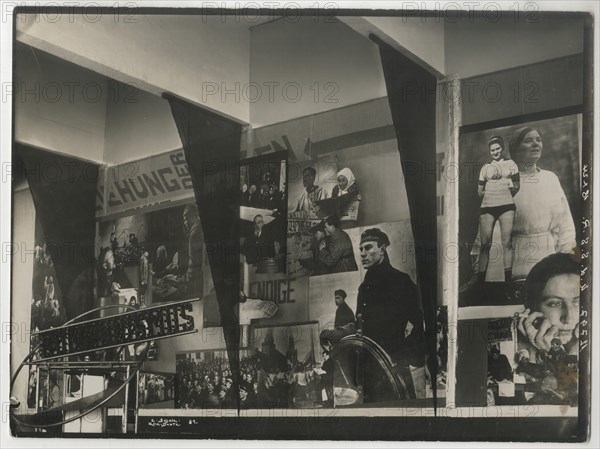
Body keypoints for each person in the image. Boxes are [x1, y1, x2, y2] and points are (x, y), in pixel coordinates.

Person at [517, 253, 579, 404]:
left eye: (578, 302)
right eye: (555, 303)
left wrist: (556, 354)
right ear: (532, 309)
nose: (568, 318)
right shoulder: (517, 352)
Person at [356, 228, 424, 360]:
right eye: (361, 249)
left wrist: (404, 351)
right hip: (368, 365)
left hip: (394, 367)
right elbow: (359, 324)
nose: (363, 254)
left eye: (368, 248)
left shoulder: (400, 281)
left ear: (382, 250)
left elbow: (422, 320)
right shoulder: (364, 287)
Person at [476, 136, 519, 285]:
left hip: (507, 206)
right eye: (492, 150)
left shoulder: (511, 164)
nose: (495, 152)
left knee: (506, 243)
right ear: (489, 151)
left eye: (497, 149)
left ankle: (508, 284)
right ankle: (480, 283)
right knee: (485, 244)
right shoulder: (485, 168)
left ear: (502, 148)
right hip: (487, 207)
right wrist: (492, 193)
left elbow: (517, 186)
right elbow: (479, 191)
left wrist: (504, 194)